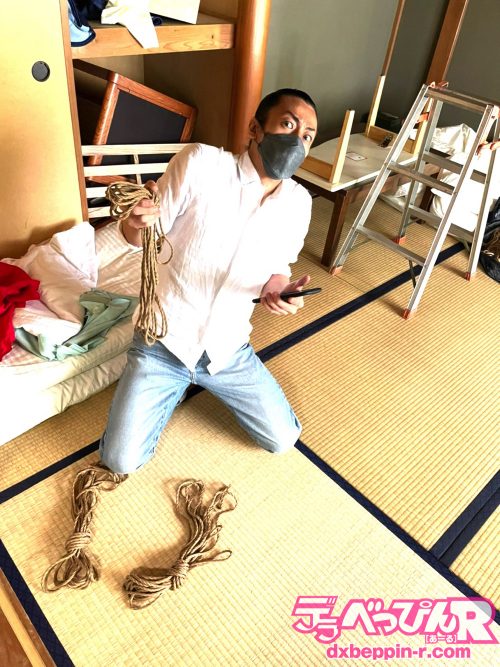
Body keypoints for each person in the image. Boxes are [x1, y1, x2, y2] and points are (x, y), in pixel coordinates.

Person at [100, 88, 318, 474]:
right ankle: (168, 388)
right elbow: (145, 234)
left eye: (307, 135)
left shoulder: (299, 203)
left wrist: (279, 292)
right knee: (120, 461)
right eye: (288, 124)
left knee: (283, 439)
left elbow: (278, 268)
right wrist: (135, 222)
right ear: (255, 128)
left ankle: (184, 389)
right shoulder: (201, 163)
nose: (296, 140)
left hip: (227, 348)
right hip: (162, 341)